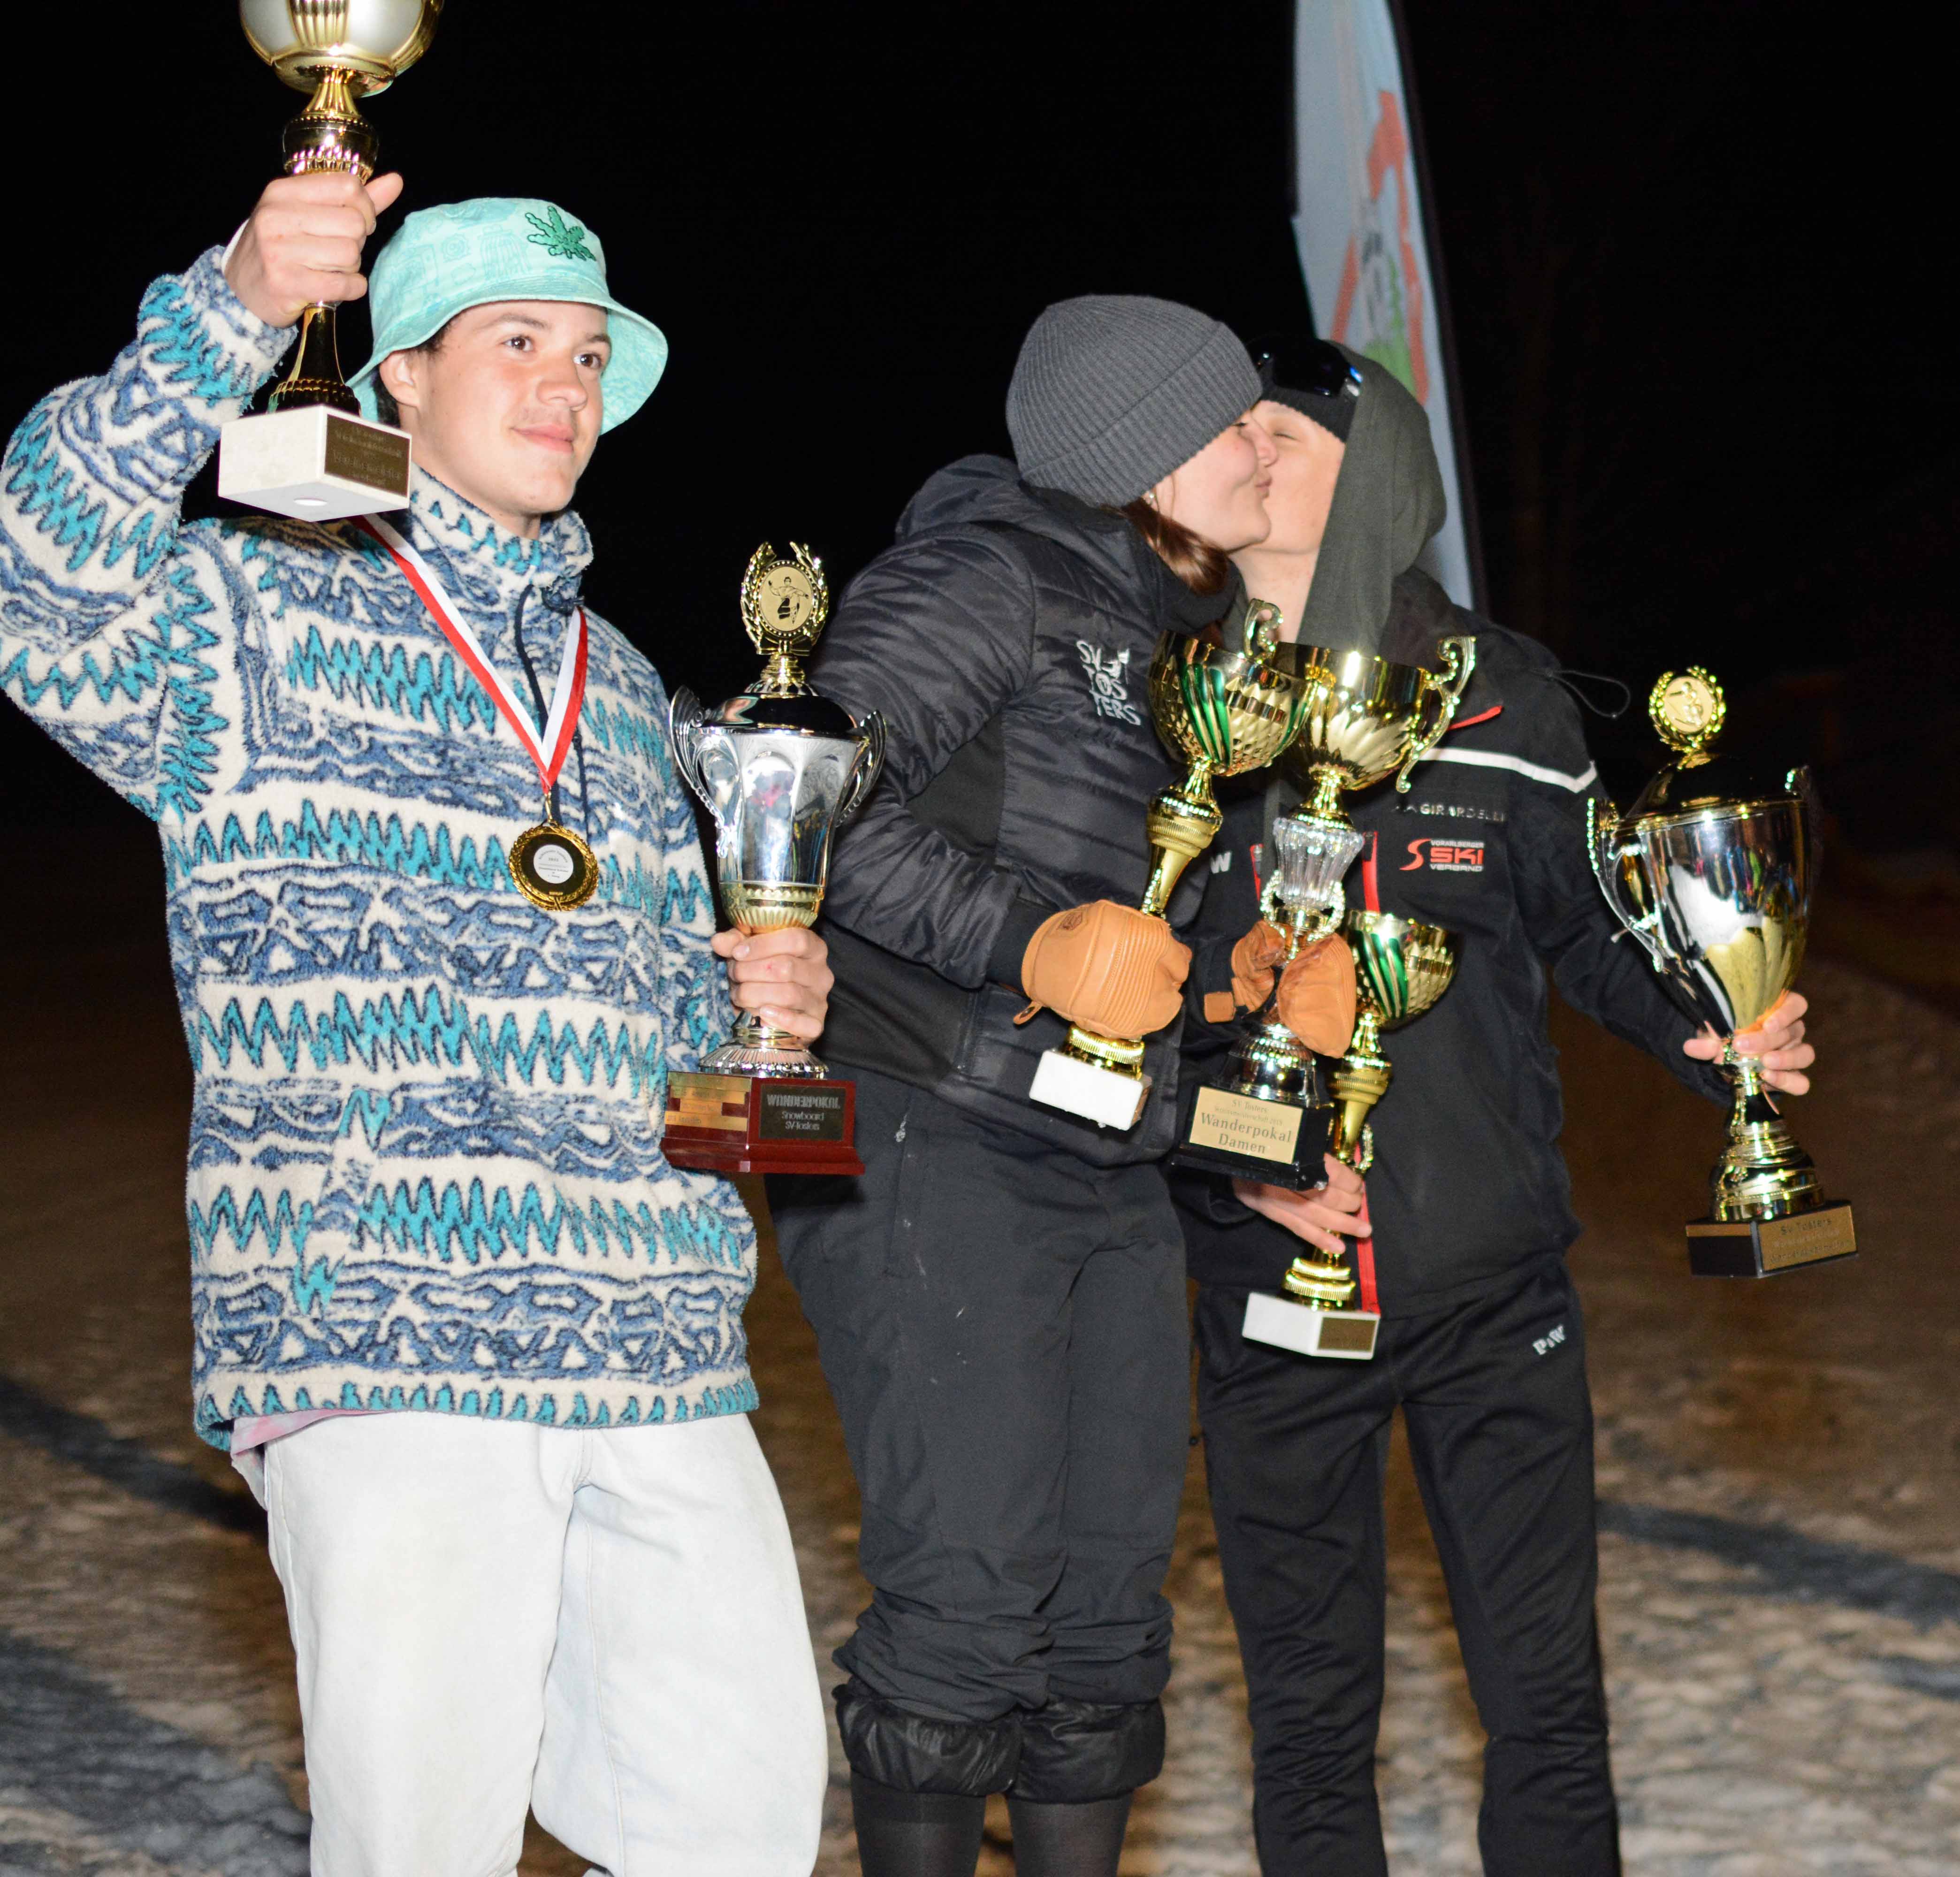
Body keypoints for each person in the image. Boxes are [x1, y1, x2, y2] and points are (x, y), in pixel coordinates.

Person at [0, 169, 832, 1875]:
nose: (563, 386)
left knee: (741, 1822)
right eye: (514, 342)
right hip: (385, 1339)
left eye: (588, 355)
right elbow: (45, 569)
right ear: (400, 374)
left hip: (655, 1344)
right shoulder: (247, 610)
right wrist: (232, 308)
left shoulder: (623, 688)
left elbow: (663, 1044)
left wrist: (758, 1015)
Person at [1173, 339, 1817, 1876]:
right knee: (1308, 1723)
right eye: (1232, 432)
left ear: (1374, 475)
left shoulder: (1503, 693)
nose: (1242, 455)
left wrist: (1712, 1033)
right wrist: (1231, 1164)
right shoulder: (1170, 695)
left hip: (1489, 1281)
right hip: (1267, 1279)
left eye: (1279, 434)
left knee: (1544, 1708)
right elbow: (1136, 993)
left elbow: (1590, 929)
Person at [768, 295, 1365, 1877]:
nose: (1263, 456)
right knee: (968, 1599)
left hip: (1103, 1165)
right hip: (931, 1132)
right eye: (1234, 428)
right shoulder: (983, 576)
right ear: (1142, 450)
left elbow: (1135, 940)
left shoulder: (1188, 644)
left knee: (1105, 1622)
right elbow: (804, 810)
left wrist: (1239, 1006)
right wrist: (1027, 942)